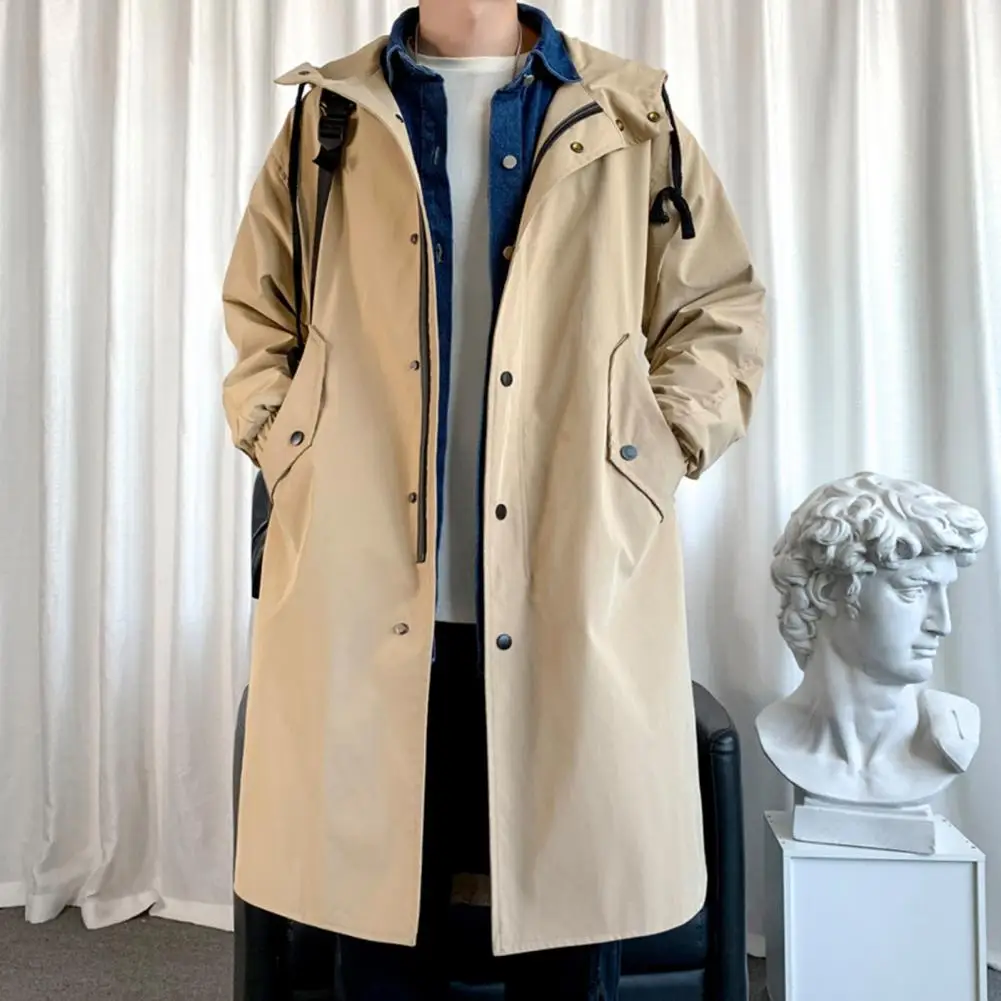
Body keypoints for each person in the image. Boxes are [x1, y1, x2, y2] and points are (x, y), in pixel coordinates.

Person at [222, 2, 767, 997]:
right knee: (378, 947)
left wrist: (652, 451)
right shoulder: (329, 117)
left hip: (570, 596)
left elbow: (715, 312)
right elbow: (262, 315)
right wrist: (288, 443)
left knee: (568, 932)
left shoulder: (628, 112)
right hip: (368, 605)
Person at [759, 472, 987, 807]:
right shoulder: (778, 735)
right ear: (828, 591)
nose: (942, 624)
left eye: (944, 592)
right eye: (913, 590)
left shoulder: (951, 736)